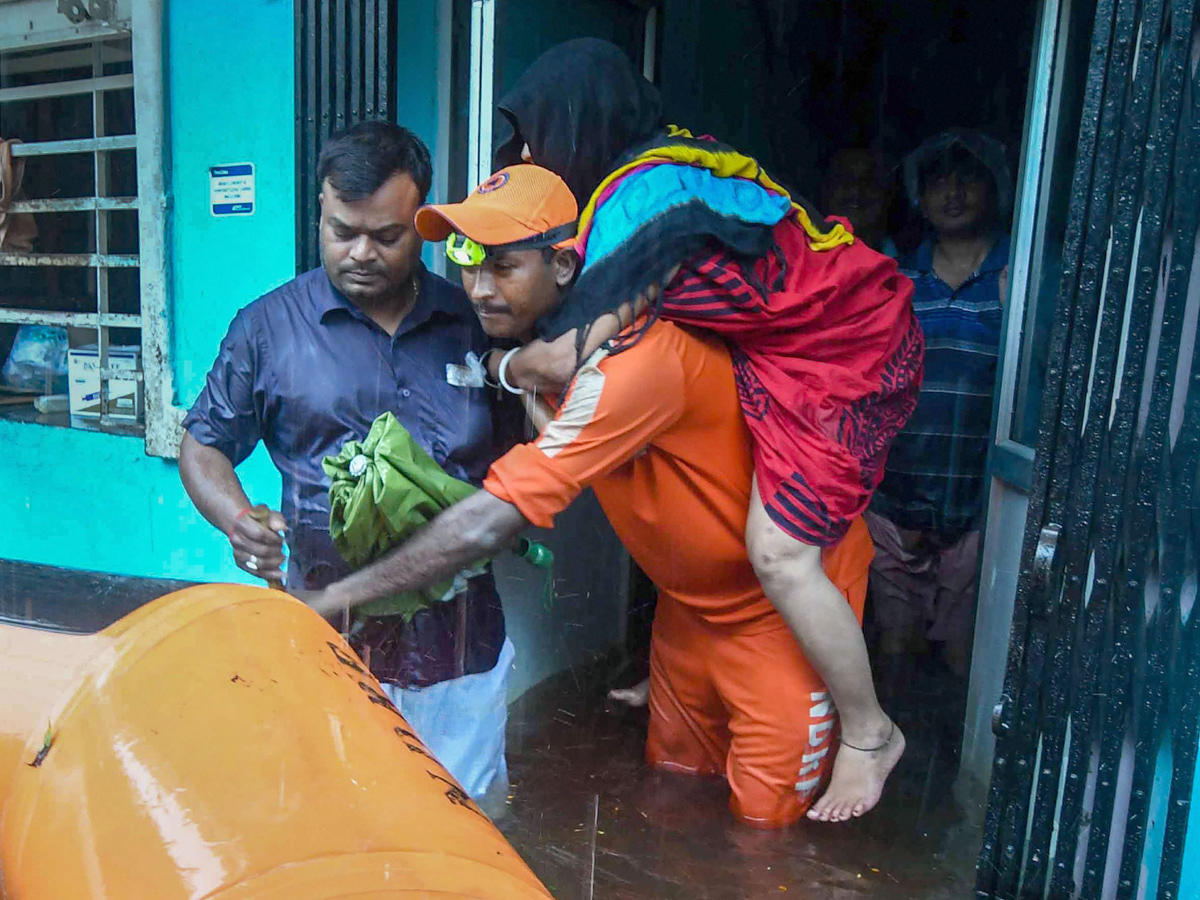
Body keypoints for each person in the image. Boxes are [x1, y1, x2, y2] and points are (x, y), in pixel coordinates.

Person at [297, 163, 884, 829]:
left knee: (766, 836)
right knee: (673, 789)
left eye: (503, 265)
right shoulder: (549, 349)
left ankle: (873, 734)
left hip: (777, 618)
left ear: (565, 267)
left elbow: (486, 524)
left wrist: (333, 601)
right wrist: (508, 367)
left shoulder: (637, 361)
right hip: (687, 615)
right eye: (465, 258)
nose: (478, 287)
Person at [488, 39, 924, 822]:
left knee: (780, 552)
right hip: (783, 352)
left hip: (843, 351)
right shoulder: (654, 177)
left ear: (578, 122)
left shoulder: (638, 197)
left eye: (533, 134)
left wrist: (503, 368)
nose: (526, 153)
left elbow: (563, 355)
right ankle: (683, 663)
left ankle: (870, 732)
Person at [178, 122, 512, 812]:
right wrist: (237, 519)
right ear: (320, 215)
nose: (360, 252)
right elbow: (203, 443)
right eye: (341, 231)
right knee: (341, 822)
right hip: (330, 642)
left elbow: (524, 464)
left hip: (464, 646)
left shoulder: (473, 321)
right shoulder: (268, 327)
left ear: (423, 224)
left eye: (386, 236)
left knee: (466, 829)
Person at [867, 129, 1012, 679]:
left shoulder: (1015, 279)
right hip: (893, 501)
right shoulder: (896, 279)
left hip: (977, 506)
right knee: (893, 656)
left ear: (994, 188)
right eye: (938, 182)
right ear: (919, 198)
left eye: (967, 178)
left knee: (963, 664)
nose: (952, 193)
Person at [818, 148, 899, 257]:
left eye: (868, 181)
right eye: (845, 179)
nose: (855, 191)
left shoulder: (910, 265)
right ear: (826, 189)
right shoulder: (801, 259)